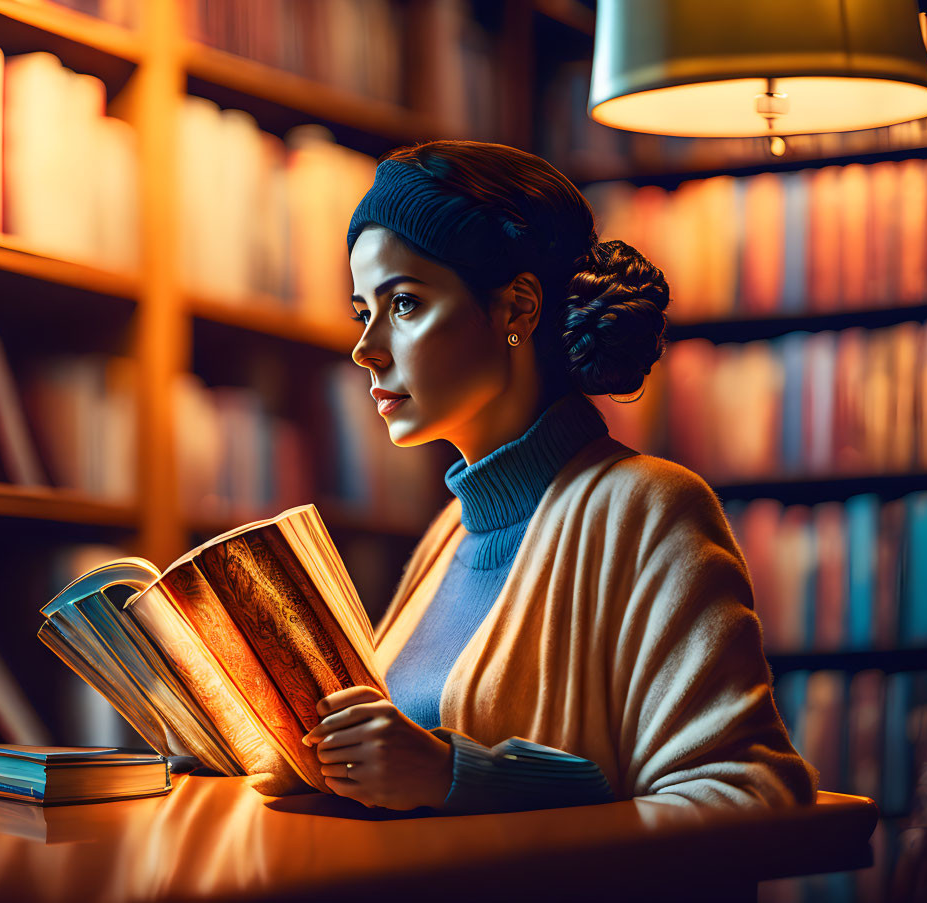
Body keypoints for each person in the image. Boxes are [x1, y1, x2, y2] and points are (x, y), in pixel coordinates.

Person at [300, 139, 820, 814]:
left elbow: (752, 795)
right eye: (360, 312)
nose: (365, 349)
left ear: (517, 308)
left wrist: (460, 777)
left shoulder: (650, 509)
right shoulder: (447, 536)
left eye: (402, 304)